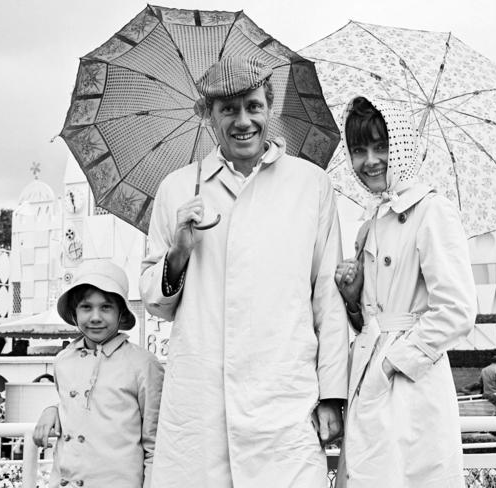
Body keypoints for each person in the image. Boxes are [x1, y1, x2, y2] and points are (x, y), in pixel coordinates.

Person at [140, 56, 349, 487]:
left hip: (283, 398)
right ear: (207, 115)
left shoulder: (310, 186)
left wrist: (332, 396)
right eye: (228, 109)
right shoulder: (178, 189)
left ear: (269, 107)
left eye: (253, 106)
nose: (243, 121)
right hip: (201, 406)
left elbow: (327, 299)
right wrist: (179, 251)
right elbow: (155, 304)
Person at [334, 96, 476, 487]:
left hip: (411, 382)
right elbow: (370, 317)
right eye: (359, 150)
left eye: (382, 146)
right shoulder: (370, 223)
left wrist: (392, 363)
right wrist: (352, 297)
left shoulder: (433, 212)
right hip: (369, 377)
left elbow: (457, 310)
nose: (370, 161)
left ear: (401, 146)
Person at [33, 259, 164, 488]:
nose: (95, 317)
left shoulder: (144, 364)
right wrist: (52, 409)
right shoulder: (63, 361)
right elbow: (79, 408)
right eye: (86, 307)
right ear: (74, 313)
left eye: (105, 307)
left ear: (121, 313)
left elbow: (156, 445)